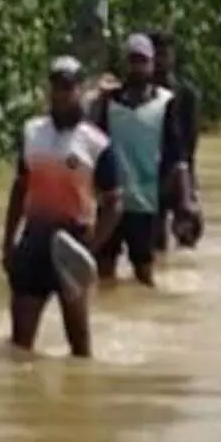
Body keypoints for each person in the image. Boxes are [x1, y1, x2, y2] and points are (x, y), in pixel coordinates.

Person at [1, 56, 123, 358]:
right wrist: (7, 243)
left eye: (68, 87)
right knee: (20, 347)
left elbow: (115, 201)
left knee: (80, 349)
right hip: (34, 240)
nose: (61, 93)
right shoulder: (31, 132)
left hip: (74, 242)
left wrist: (91, 249)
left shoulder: (97, 143)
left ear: (80, 90)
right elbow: (20, 188)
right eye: (56, 86)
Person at [90, 34, 187, 286]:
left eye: (142, 61)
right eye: (132, 60)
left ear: (152, 64)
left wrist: (184, 201)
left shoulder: (166, 103)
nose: (137, 67)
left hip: (147, 203)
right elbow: (89, 141)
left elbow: (178, 157)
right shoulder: (108, 102)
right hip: (112, 201)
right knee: (104, 271)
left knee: (144, 273)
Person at [151, 30, 202, 253]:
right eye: (158, 55)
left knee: (188, 240)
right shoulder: (143, 94)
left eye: (166, 54)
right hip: (151, 176)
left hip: (180, 174)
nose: (162, 60)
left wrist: (187, 183)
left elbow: (191, 141)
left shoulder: (186, 94)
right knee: (155, 244)